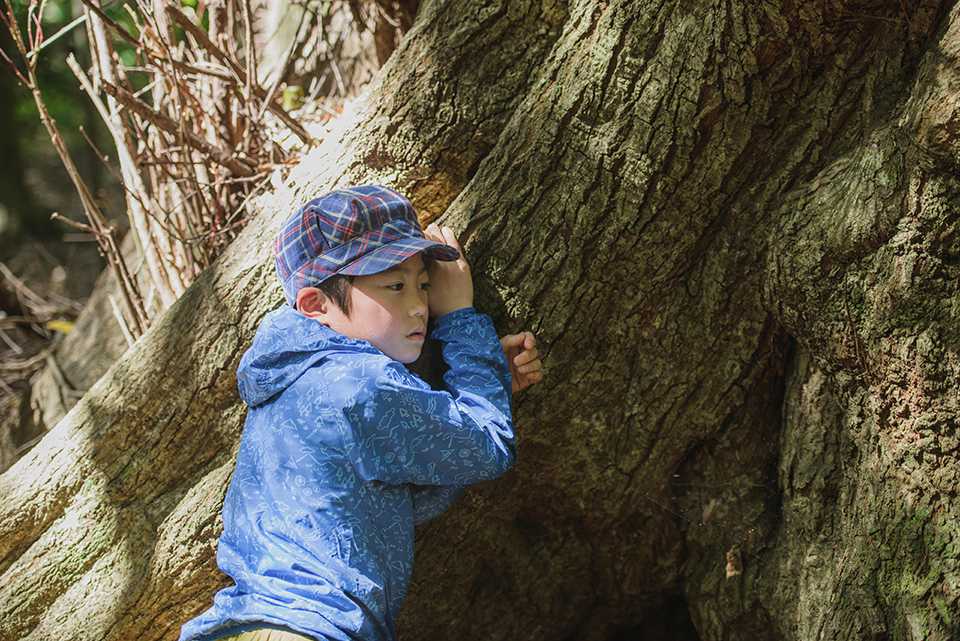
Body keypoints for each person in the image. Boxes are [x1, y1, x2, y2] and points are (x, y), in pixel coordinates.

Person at [179, 185, 543, 641]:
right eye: (394, 285)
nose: (419, 305)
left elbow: (399, 498)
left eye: (425, 284)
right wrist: (461, 319)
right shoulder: (362, 386)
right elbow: (487, 448)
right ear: (317, 304)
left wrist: (482, 383)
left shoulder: (292, 378)